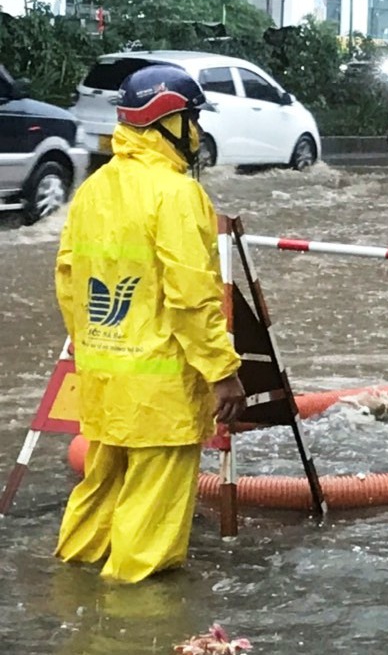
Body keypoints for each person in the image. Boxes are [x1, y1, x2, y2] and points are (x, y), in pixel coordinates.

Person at [53, 65, 246, 583]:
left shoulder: (94, 189)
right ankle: (132, 624)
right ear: (169, 122)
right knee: (147, 541)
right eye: (193, 120)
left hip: (103, 379)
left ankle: (69, 593)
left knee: (98, 497)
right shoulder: (177, 195)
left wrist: (98, 346)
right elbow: (192, 298)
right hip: (160, 394)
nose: (199, 133)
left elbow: (68, 282)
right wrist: (222, 372)